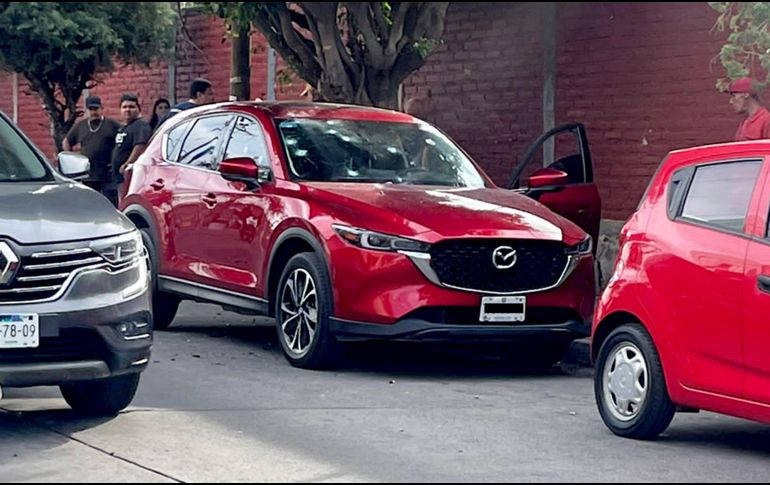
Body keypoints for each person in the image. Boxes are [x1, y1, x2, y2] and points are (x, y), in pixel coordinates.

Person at [62, 95, 122, 200]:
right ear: (86, 110)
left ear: (101, 108)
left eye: (96, 109)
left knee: (111, 202)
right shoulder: (81, 126)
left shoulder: (112, 125)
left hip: (108, 175)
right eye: (90, 109)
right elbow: (66, 141)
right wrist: (71, 159)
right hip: (89, 176)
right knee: (91, 202)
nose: (94, 112)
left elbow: (124, 139)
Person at [110, 93, 151, 206]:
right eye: (124, 107)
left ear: (138, 109)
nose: (127, 110)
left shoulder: (140, 125)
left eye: (131, 107)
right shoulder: (124, 127)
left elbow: (140, 146)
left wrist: (127, 164)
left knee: (127, 205)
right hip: (119, 178)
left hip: (130, 176)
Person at [729, 77, 770, 141]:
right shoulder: (745, 121)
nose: (731, 101)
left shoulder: (767, 120)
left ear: (745, 94)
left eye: (734, 96)